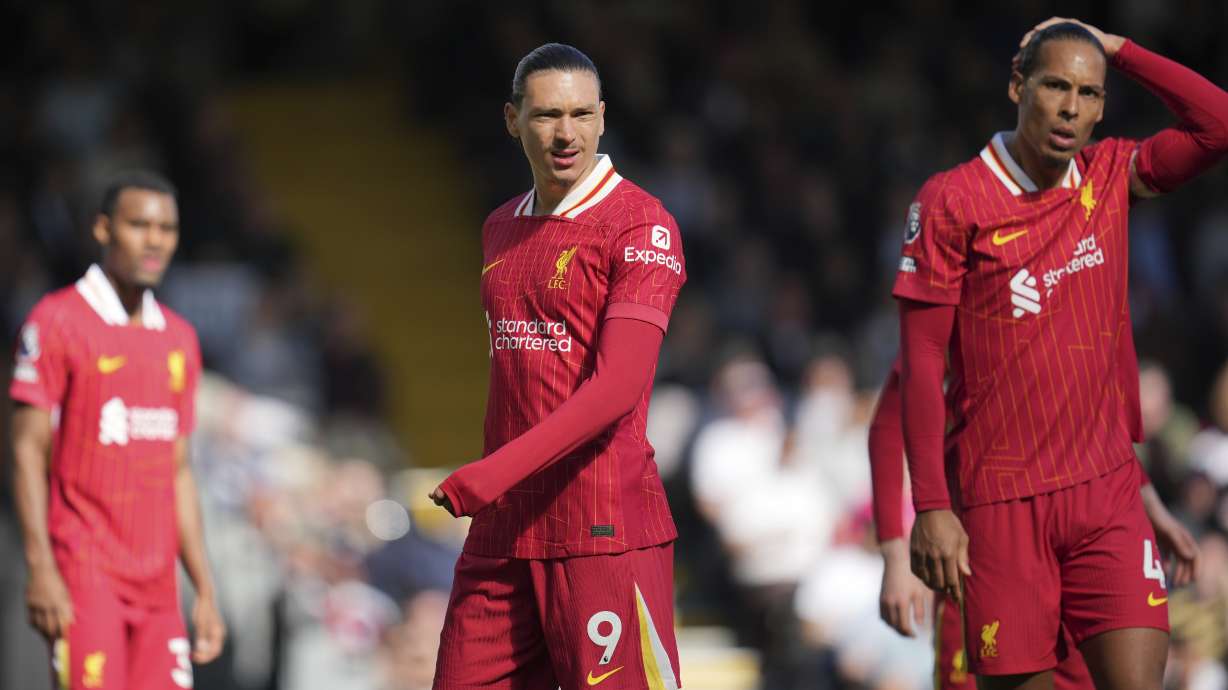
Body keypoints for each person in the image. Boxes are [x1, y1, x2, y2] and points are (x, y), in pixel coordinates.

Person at [894, 16, 1227, 690]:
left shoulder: (1109, 176)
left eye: (1089, 92)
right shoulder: (952, 202)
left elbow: (1218, 124)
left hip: (1105, 493)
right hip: (1001, 502)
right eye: (1054, 85)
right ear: (1017, 85)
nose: (1071, 108)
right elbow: (922, 368)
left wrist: (1120, 49)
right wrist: (931, 507)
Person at [427, 43, 686, 690]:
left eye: (579, 115)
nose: (564, 134)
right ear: (513, 120)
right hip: (504, 533)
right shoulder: (498, 229)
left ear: (602, 118)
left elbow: (619, 387)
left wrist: (493, 473)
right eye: (545, 116)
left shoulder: (641, 224)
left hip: (601, 527)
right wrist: (498, 487)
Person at [10, 170, 225, 689]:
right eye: (139, 225)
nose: (155, 241)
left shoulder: (179, 338)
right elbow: (25, 451)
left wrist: (204, 589)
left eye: (167, 229)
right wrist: (40, 567)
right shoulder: (57, 320)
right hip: (85, 576)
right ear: (103, 229)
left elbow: (178, 473)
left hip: (157, 586)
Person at [868, 357, 1198, 690]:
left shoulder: (1068, 328)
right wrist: (894, 552)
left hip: (1072, 551)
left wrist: (1152, 506)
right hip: (980, 561)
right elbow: (889, 422)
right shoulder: (965, 320)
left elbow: (1098, 426)